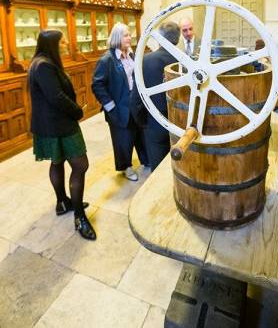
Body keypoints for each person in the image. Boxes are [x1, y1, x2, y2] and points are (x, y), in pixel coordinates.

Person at [28, 30, 95, 240]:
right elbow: (56, 97)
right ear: (52, 45)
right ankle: (79, 216)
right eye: (62, 41)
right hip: (59, 125)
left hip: (50, 124)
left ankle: (63, 202)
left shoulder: (41, 62)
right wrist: (77, 110)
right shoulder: (44, 65)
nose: (66, 43)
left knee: (57, 162)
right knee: (80, 165)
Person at [92, 22, 148, 181]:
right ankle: (126, 167)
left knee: (139, 134)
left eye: (130, 35)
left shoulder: (132, 54)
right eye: (126, 35)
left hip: (135, 103)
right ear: (117, 38)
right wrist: (111, 107)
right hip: (119, 107)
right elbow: (97, 85)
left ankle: (146, 160)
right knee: (123, 139)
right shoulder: (107, 59)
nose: (129, 37)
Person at [130, 22, 180, 170]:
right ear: (177, 39)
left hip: (154, 122)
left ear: (159, 38)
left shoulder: (144, 61)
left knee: (157, 168)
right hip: (181, 122)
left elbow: (136, 99)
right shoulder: (187, 60)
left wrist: (142, 122)